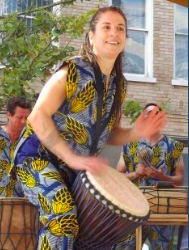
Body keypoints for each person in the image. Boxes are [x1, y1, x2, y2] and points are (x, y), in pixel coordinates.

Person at [12, 7, 166, 250]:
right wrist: (73, 158)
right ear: (92, 35)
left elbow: (111, 133)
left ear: (125, 38)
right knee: (63, 216)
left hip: (74, 169)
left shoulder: (119, 86)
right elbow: (38, 116)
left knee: (117, 234)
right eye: (106, 27)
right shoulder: (72, 70)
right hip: (36, 159)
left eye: (120, 28)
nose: (114, 33)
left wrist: (136, 131)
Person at [114, 103, 185, 250]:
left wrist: (163, 177)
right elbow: (117, 176)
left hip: (162, 212)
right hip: (132, 211)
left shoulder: (174, 146)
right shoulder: (129, 145)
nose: (152, 116)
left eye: (157, 113)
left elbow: (180, 179)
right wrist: (135, 173)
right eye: (148, 113)